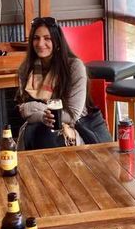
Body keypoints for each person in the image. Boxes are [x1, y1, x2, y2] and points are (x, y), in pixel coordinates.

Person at [15, 17, 90, 149]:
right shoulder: (25, 69)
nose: (40, 43)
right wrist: (42, 117)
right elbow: (23, 112)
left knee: (45, 134)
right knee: (34, 132)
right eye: (36, 38)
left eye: (47, 38)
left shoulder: (74, 67)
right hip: (38, 125)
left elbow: (72, 116)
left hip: (75, 125)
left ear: (57, 41)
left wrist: (34, 108)